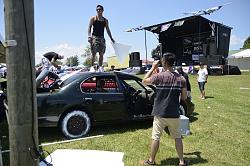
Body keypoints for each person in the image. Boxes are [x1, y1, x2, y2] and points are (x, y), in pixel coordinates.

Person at [141, 52, 188, 166]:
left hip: (160, 113)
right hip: (174, 113)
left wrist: (153, 67)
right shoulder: (181, 79)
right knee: (177, 137)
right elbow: (184, 97)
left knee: (156, 137)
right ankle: (181, 161)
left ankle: (151, 161)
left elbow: (144, 80)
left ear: (165, 62)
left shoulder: (159, 76)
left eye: (162, 60)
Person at [88, 4, 115, 68]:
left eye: (99, 9)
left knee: (101, 53)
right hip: (94, 37)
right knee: (94, 53)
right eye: (97, 9)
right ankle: (92, 67)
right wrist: (89, 36)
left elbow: (108, 30)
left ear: (102, 10)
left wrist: (111, 38)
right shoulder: (93, 18)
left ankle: (100, 67)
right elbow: (89, 27)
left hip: (102, 38)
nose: (98, 10)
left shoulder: (105, 20)